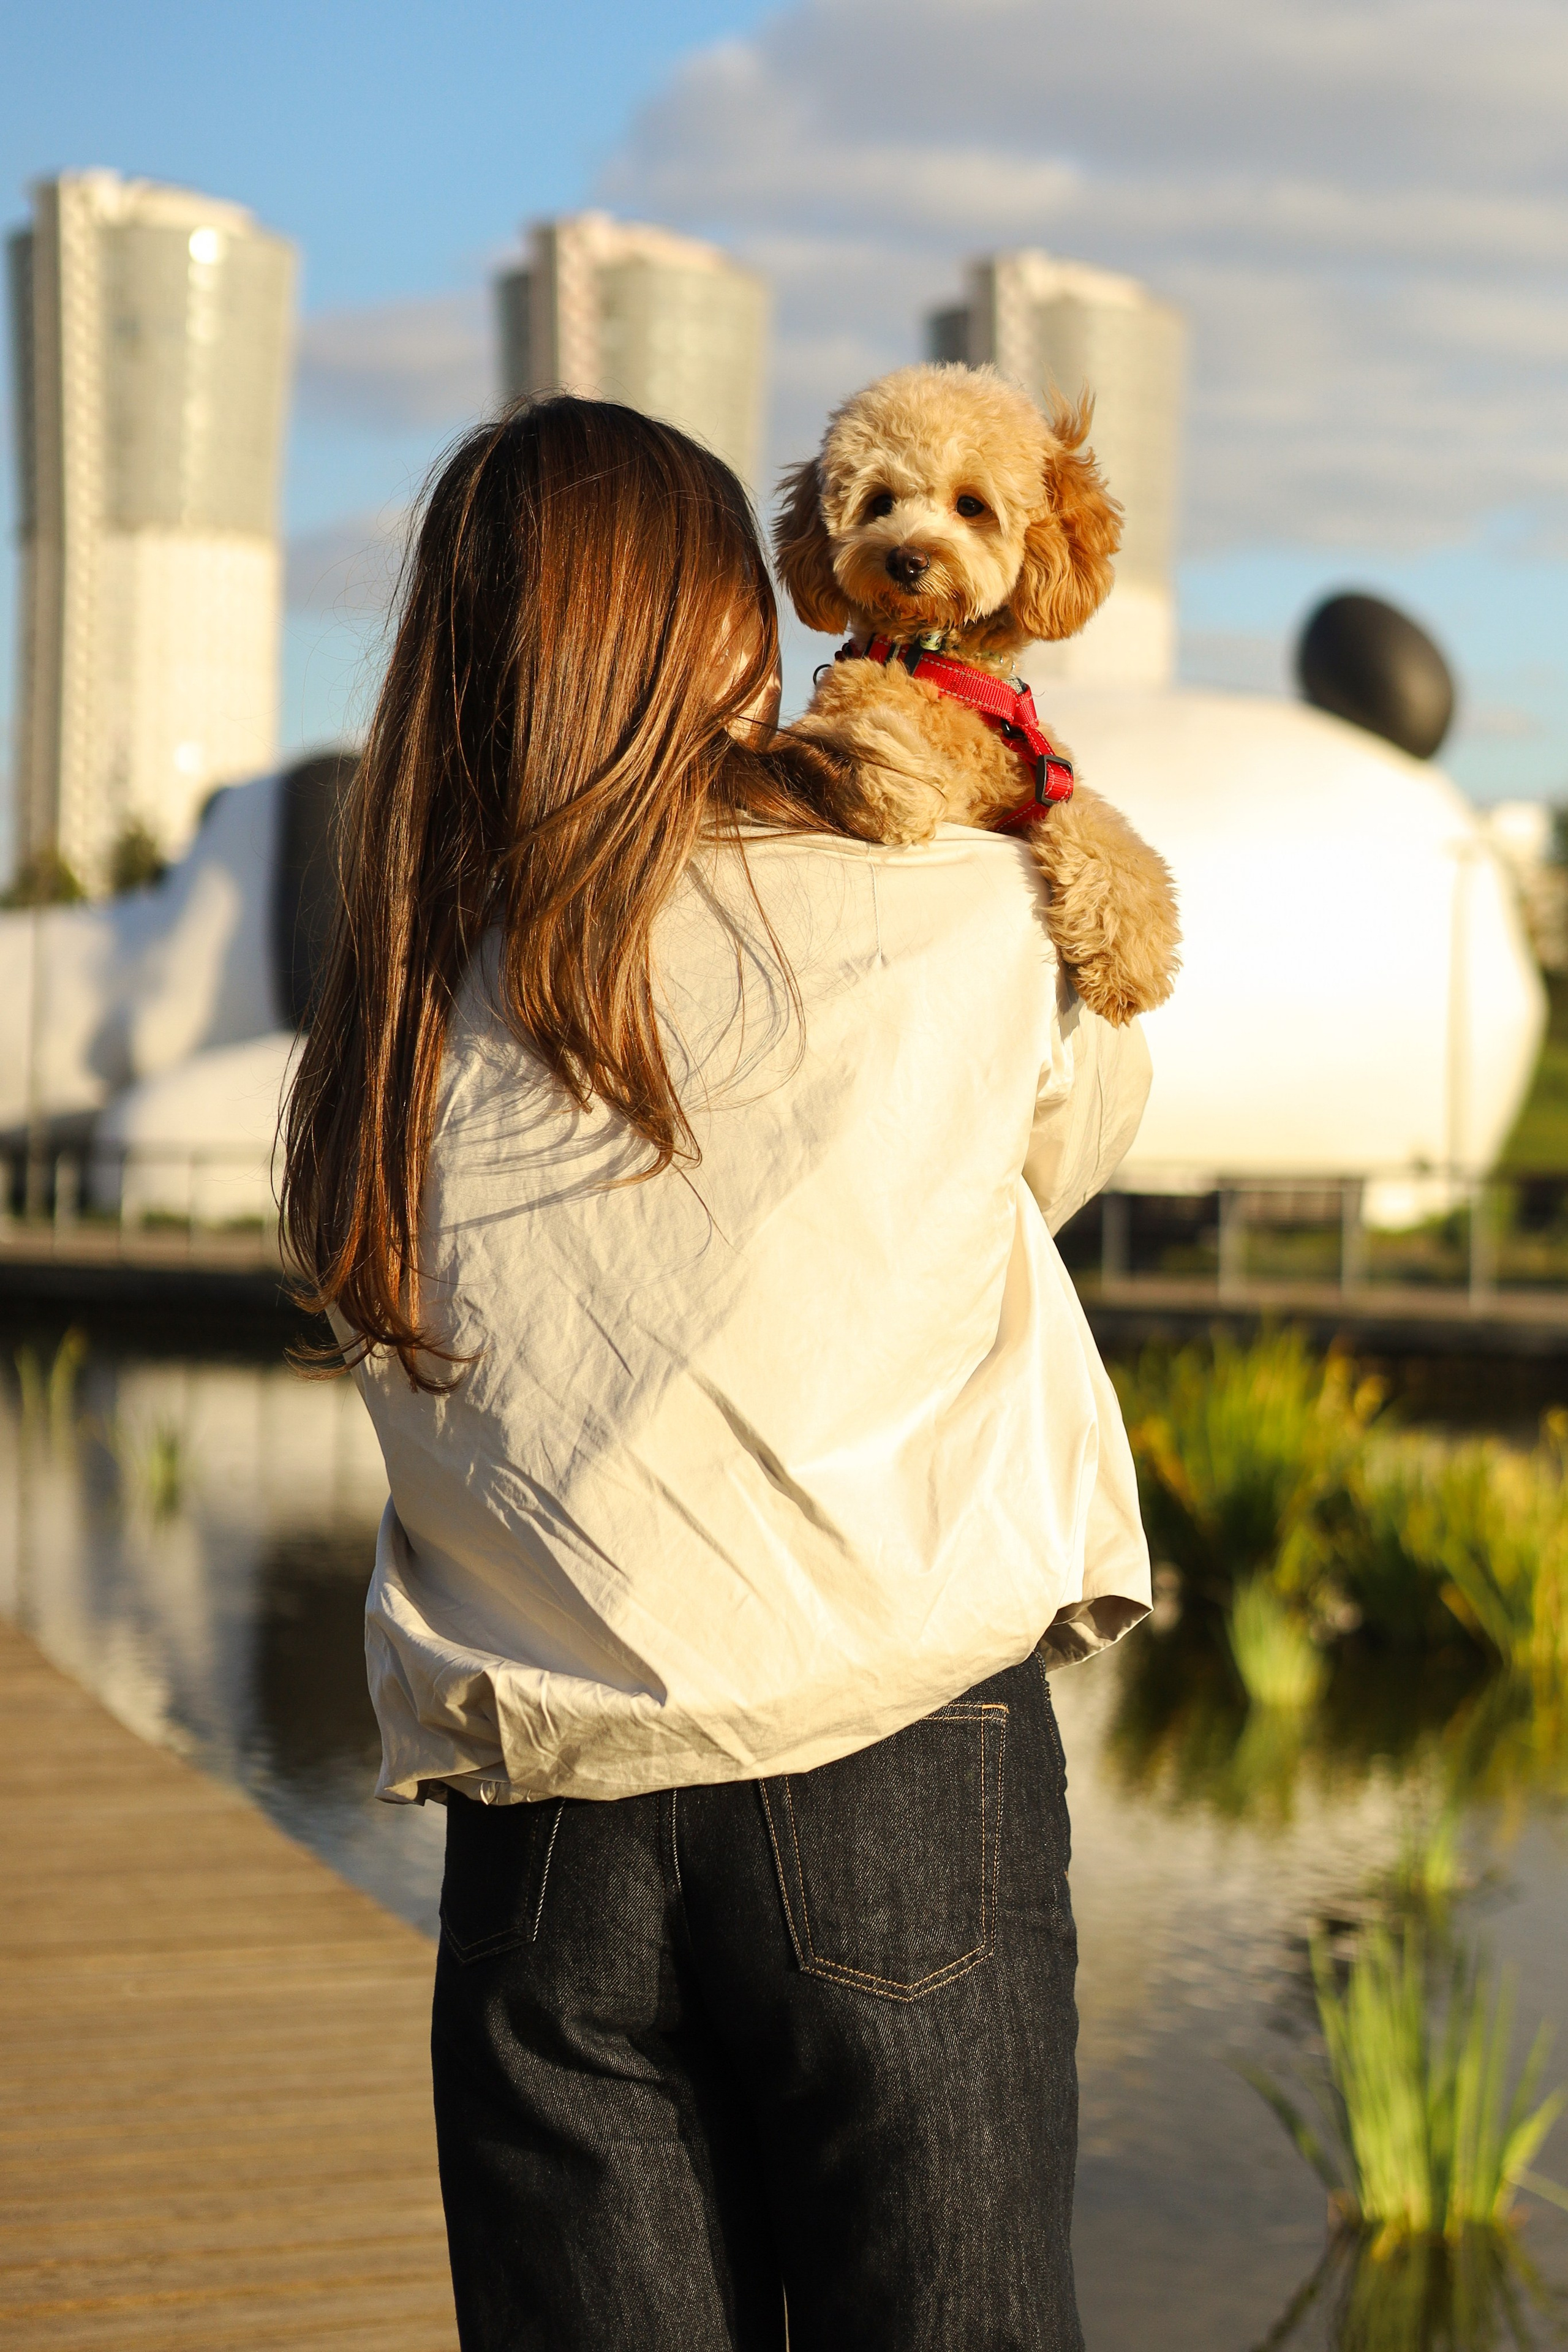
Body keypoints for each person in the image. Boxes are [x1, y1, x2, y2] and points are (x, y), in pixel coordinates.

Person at [283, 396, 1153, 2352]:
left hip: (545, 1836)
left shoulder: (401, 996)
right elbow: (1073, 1148)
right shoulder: (968, 907)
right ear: (726, 628)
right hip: (895, 1778)